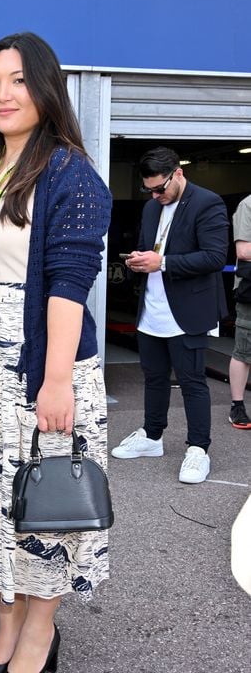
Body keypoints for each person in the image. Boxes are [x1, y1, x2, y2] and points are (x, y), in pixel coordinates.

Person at [0, 32, 112, 673]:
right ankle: (7, 620)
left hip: (42, 365)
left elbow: (70, 284)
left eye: (18, 80)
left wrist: (56, 379)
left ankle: (40, 630)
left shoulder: (70, 171)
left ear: (46, 90)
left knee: (44, 508)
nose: (3, 94)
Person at [112, 147, 229, 483]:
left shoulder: (207, 203)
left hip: (188, 310)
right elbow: (154, 249)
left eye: (161, 188)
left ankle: (198, 449)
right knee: (154, 377)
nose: (156, 195)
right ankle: (151, 436)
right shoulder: (151, 208)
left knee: (192, 382)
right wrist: (140, 259)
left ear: (178, 173)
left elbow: (213, 257)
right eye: (149, 190)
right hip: (152, 309)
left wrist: (161, 263)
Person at [228, 193, 251, 429]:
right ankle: (237, 406)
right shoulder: (248, 205)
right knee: (244, 350)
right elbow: (244, 251)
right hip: (250, 290)